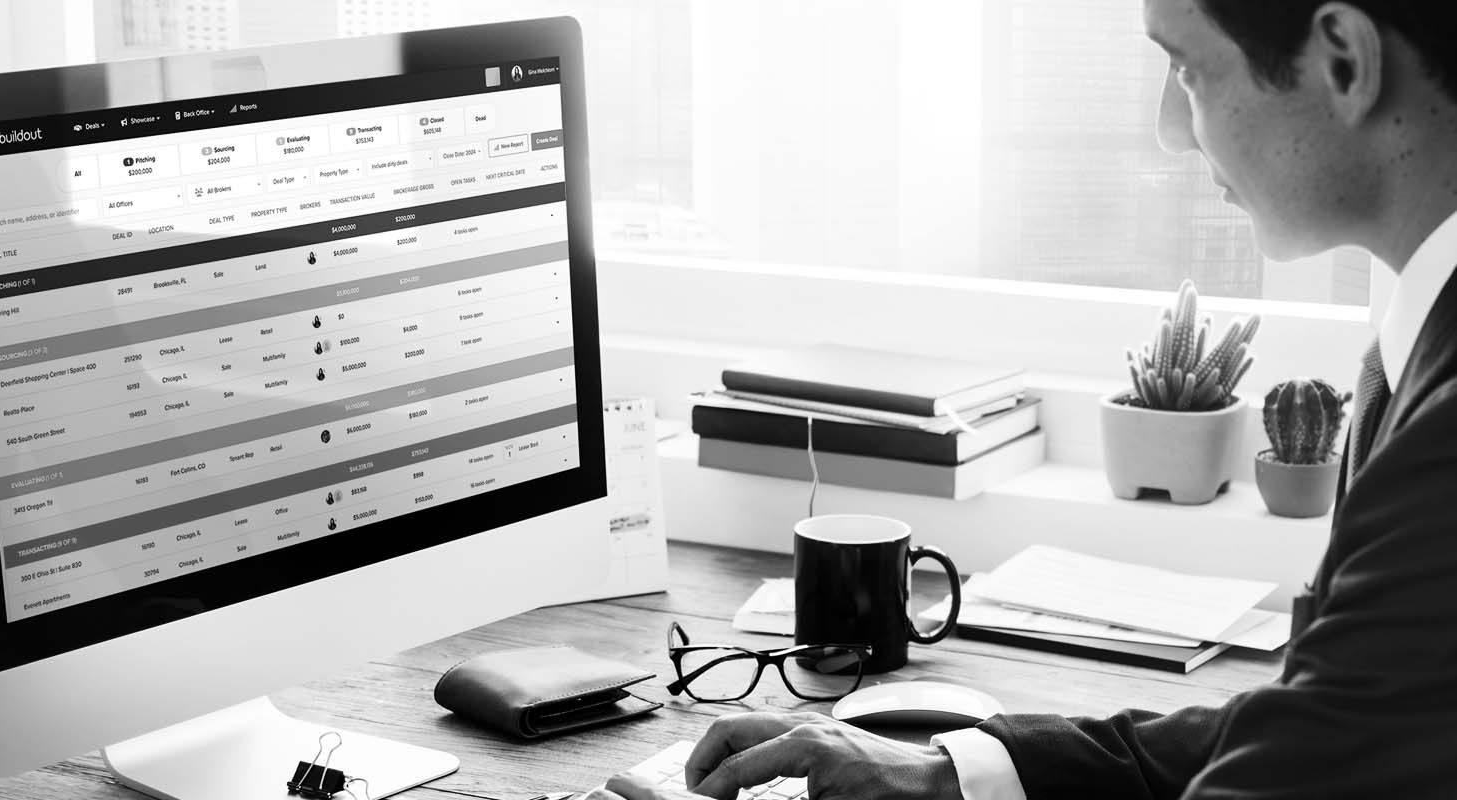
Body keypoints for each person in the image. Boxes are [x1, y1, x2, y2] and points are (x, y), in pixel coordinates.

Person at [593, 0, 1457, 797]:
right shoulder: (1410, 344)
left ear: (1345, 61)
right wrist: (950, 775)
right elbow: (1320, 726)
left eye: (1188, 69)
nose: (1169, 132)